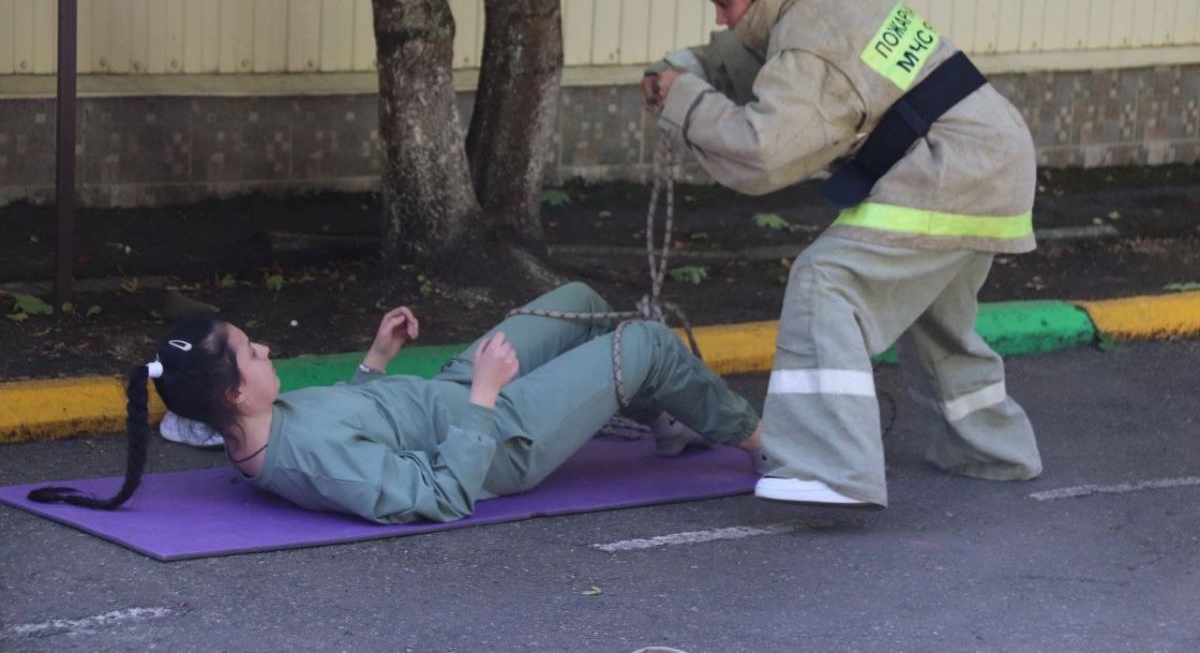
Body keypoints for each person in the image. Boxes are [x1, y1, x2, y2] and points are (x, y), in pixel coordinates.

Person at [644, 0, 1042, 509]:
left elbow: (764, 151)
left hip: (952, 170)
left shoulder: (812, 38)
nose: (722, 21)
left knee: (825, 282)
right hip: (988, 160)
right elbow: (770, 65)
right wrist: (686, 69)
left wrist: (683, 102)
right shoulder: (831, 1)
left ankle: (831, 470)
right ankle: (991, 448)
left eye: (724, 4)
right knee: (936, 316)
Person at [29, 282, 763, 524]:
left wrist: (375, 360)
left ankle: (669, 415)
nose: (267, 354)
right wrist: (483, 397)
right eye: (254, 354)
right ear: (231, 393)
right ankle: (768, 444)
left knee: (578, 302)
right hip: (501, 437)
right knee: (647, 343)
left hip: (447, 393)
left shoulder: (265, 422)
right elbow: (444, 496)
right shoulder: (317, 467)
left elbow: (353, 414)